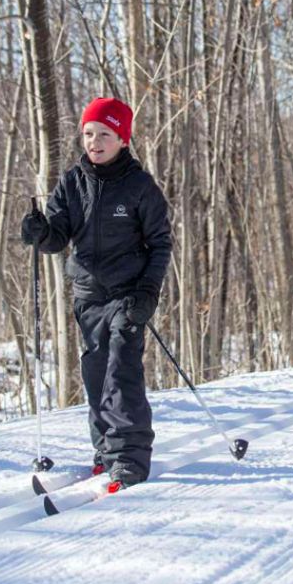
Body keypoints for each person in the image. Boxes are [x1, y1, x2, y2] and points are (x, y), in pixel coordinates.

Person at [20, 97, 172, 490]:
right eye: (88, 134)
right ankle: (105, 451)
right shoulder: (73, 182)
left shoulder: (140, 186)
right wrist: (38, 232)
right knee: (96, 373)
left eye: (104, 134)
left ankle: (130, 459)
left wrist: (148, 292)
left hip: (129, 293)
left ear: (122, 138)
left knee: (122, 370)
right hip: (88, 293)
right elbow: (56, 237)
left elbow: (160, 243)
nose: (95, 141)